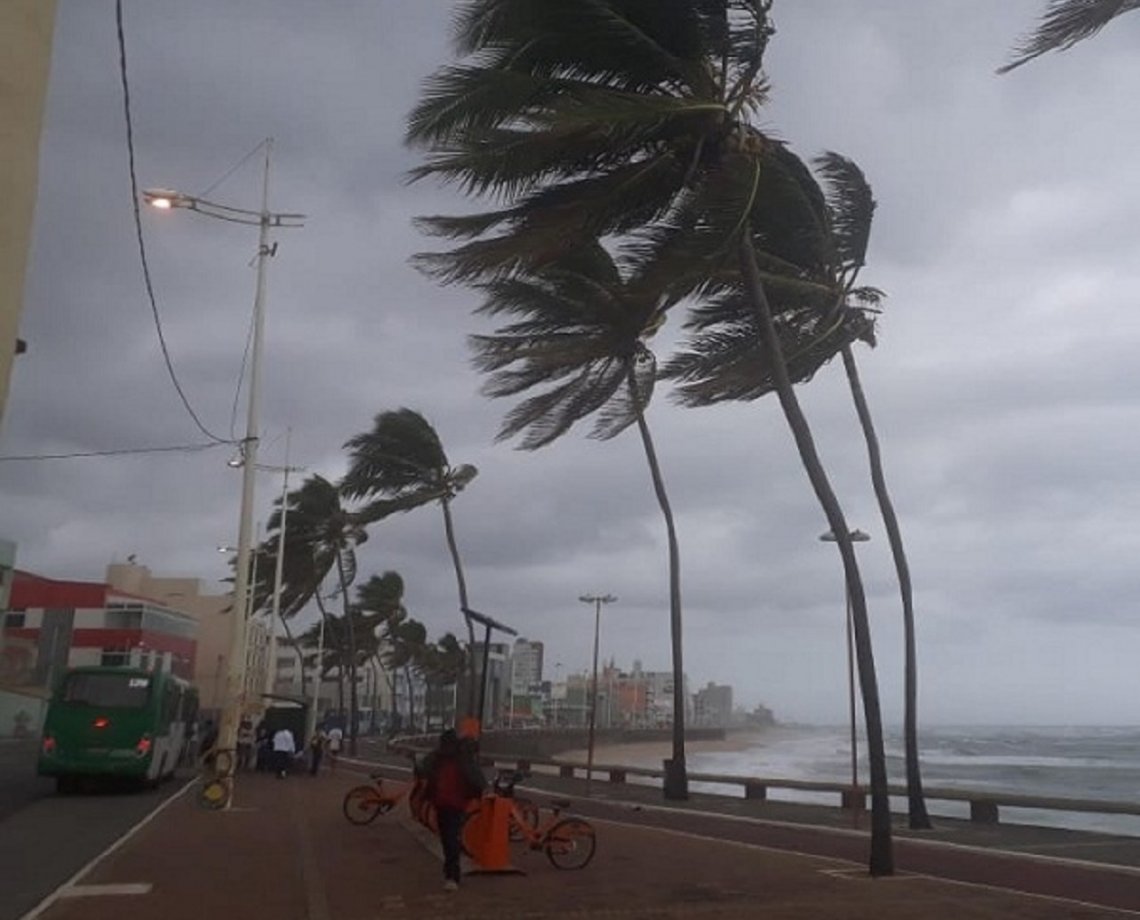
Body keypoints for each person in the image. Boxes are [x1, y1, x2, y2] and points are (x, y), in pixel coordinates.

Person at [422, 729, 486, 891]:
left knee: (448, 839)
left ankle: (452, 875)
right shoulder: (460, 759)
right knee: (449, 838)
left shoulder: (439, 758)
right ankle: (451, 873)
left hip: (445, 803)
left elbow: (423, 766)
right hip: (454, 803)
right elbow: (477, 778)